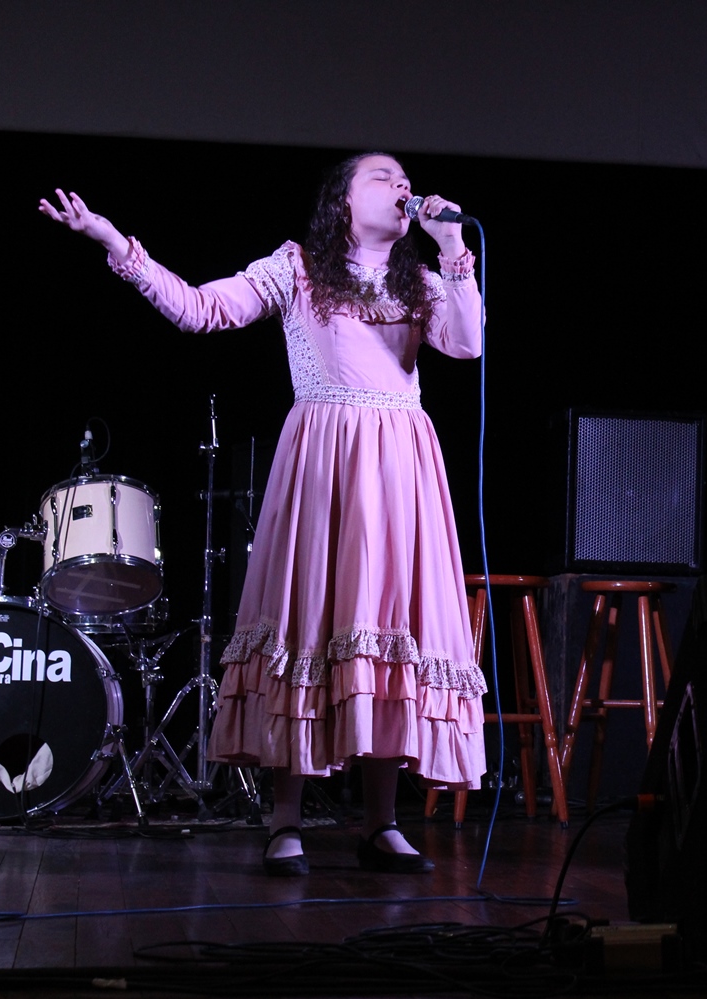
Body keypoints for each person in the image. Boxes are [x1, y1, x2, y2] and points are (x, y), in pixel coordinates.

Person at [39, 152, 487, 876]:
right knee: (309, 624)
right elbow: (199, 309)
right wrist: (114, 241)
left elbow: (467, 344)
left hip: (401, 469)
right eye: (381, 177)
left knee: (387, 631)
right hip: (326, 463)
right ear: (343, 202)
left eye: (405, 177)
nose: (401, 185)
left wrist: (453, 247)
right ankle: (286, 820)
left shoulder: (423, 282)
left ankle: (381, 822)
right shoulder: (298, 270)